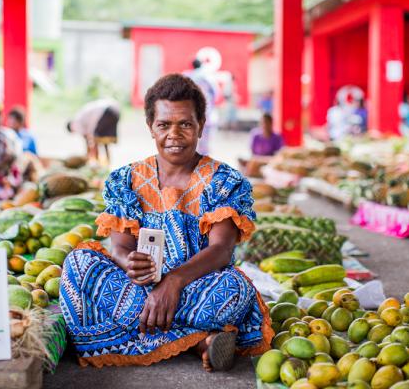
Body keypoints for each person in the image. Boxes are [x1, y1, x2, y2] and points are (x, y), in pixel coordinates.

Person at [60, 74, 271, 372]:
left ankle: (151, 331)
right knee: (78, 265)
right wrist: (128, 262)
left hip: (198, 288)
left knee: (235, 290)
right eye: (164, 125)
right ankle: (199, 341)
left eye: (185, 124)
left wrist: (174, 281)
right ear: (150, 128)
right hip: (138, 289)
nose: (174, 134)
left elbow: (222, 249)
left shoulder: (224, 181)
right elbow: (119, 246)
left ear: (201, 125)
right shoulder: (126, 180)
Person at [66, 98, 120, 165]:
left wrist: (88, 152)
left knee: (95, 138)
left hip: (105, 112)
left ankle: (96, 163)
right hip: (115, 111)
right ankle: (107, 163)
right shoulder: (82, 116)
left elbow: (87, 136)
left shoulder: (75, 123)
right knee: (105, 140)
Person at [185, 59, 216, 155]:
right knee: (205, 138)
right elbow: (215, 92)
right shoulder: (207, 76)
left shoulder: (189, 76)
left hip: (192, 112)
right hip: (206, 111)